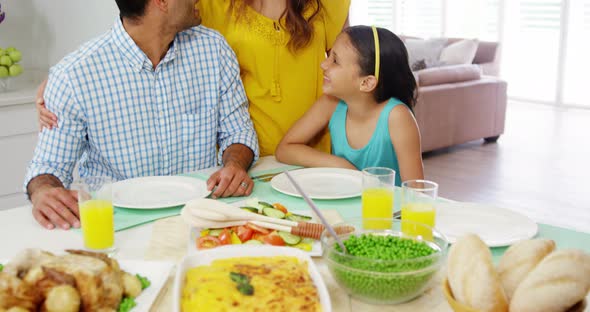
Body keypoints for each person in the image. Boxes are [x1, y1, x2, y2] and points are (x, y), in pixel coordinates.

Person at [24, 0, 259, 230]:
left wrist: (235, 164)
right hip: (119, 228)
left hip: (201, 219)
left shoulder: (213, 50)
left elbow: (238, 132)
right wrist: (43, 191)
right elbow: (49, 166)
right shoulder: (73, 76)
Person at [37, 0, 351, 157]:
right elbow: (143, 20)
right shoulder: (213, 5)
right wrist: (62, 78)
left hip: (311, 152)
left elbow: (350, 62)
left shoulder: (327, 5)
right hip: (246, 158)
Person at [275, 26, 424, 186]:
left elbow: (417, 191)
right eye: (329, 55)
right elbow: (285, 149)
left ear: (366, 82)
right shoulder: (330, 103)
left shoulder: (397, 117)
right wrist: (341, 165)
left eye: (335, 61)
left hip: (387, 210)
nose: (324, 65)